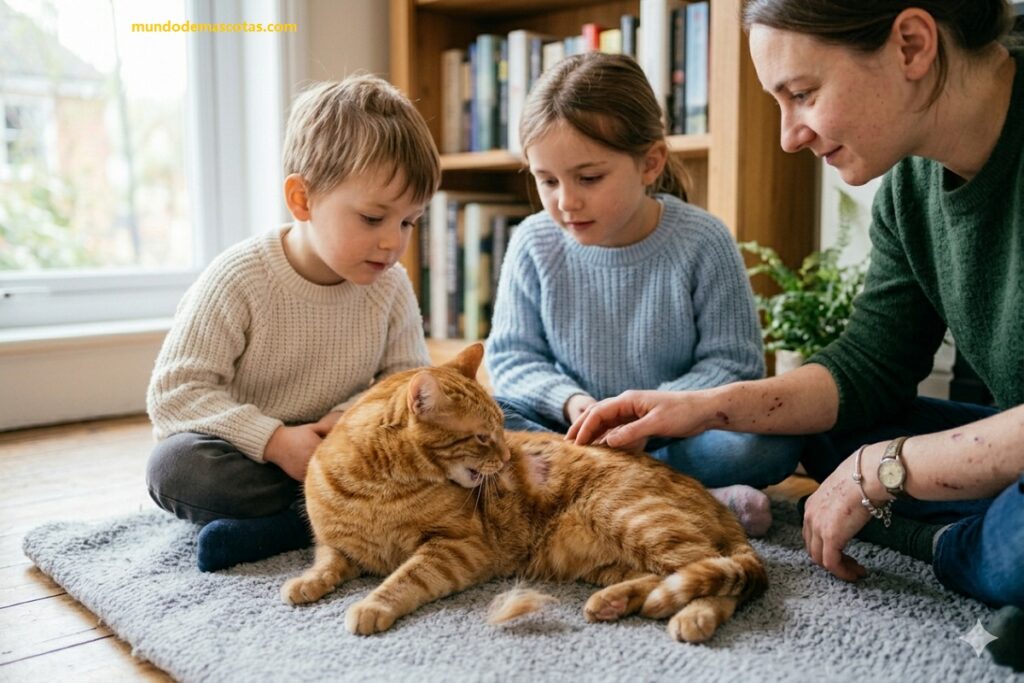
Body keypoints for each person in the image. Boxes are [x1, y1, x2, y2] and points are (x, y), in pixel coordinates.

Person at [569, 0, 1023, 670]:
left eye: (803, 94)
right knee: (807, 428)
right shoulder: (908, 187)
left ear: (911, 45)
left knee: (1008, 544)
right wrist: (705, 406)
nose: (788, 136)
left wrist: (883, 469)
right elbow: (870, 363)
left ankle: (961, 546)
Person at [485, 52, 805, 537]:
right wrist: (573, 404)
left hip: (669, 438)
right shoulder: (532, 242)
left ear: (650, 163)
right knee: (491, 420)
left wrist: (647, 414)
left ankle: (601, 496)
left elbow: (735, 367)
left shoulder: (702, 240)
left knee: (769, 442)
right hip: (570, 436)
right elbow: (511, 362)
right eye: (546, 181)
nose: (566, 201)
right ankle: (687, 500)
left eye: (589, 178)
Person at [146, 75, 440, 572]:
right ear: (302, 199)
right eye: (373, 218)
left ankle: (282, 528)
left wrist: (347, 420)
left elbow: (406, 382)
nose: (393, 243)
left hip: (344, 448)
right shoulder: (238, 278)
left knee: (444, 436)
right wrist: (276, 441)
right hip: (252, 455)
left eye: (409, 222)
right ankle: (316, 518)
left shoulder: (391, 285)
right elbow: (175, 394)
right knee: (176, 467)